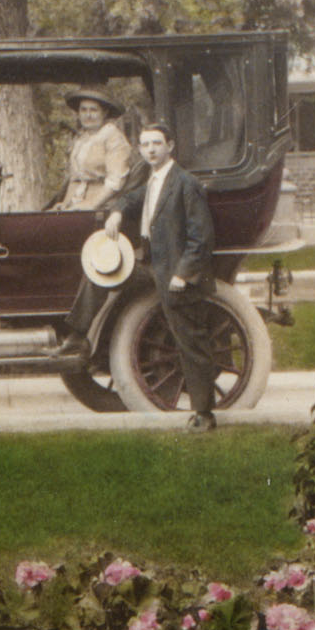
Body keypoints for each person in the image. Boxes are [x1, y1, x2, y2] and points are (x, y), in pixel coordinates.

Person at [102, 121, 220, 430]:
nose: (151, 149)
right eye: (145, 144)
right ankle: (200, 409)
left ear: (170, 146)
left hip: (178, 278)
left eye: (157, 143)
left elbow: (201, 237)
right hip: (155, 267)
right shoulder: (155, 181)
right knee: (183, 341)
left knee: (190, 343)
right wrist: (117, 211)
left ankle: (204, 414)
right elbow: (131, 199)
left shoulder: (184, 183)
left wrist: (183, 274)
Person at [55, 89, 135, 210]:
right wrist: (66, 203)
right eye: (83, 110)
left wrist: (90, 205)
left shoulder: (113, 137)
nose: (88, 115)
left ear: (105, 113)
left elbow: (116, 180)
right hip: (78, 203)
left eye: (93, 110)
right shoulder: (82, 138)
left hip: (104, 205)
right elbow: (76, 179)